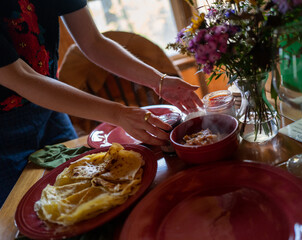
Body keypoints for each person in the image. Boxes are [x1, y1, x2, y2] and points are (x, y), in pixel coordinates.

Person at [0, 0, 203, 207]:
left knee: (81, 191)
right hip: (5, 130)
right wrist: (118, 114)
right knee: (19, 211)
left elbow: (93, 42)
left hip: (49, 106)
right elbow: (20, 77)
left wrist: (159, 81)